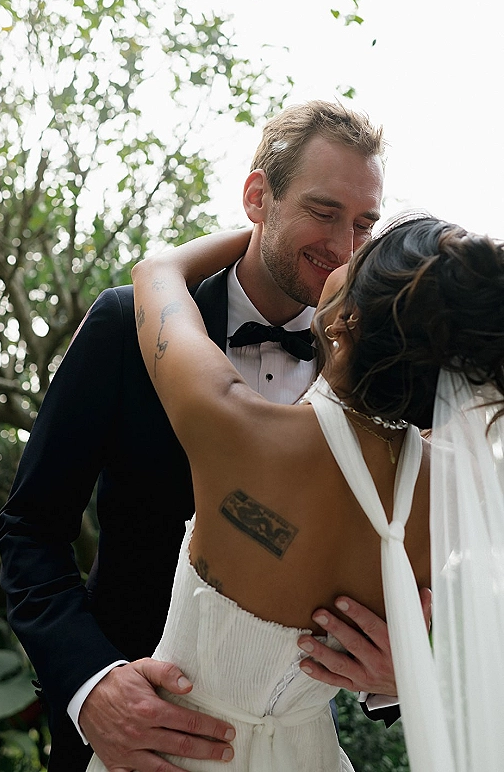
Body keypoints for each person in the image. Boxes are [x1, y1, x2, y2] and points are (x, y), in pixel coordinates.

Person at [0, 101, 404, 772]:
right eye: (324, 212)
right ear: (257, 197)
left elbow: (389, 568)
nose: (345, 247)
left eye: (364, 224)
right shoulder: (127, 327)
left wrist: (396, 675)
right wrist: (91, 685)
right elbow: (30, 527)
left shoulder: (378, 376)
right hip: (127, 741)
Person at [90, 214, 504, 772]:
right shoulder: (451, 496)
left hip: (168, 753)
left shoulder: (237, 428)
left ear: (345, 322)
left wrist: (265, 230)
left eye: (358, 255)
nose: (343, 253)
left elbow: (158, 272)